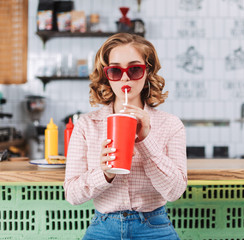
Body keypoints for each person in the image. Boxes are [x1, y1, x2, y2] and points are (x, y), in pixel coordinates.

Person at [63, 33, 187, 240]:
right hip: (103, 226)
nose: (125, 78)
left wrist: (146, 139)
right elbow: (72, 195)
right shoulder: (86, 125)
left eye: (135, 69)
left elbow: (174, 192)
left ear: (147, 71)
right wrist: (104, 173)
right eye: (115, 70)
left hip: (154, 226)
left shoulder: (171, 124)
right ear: (106, 75)